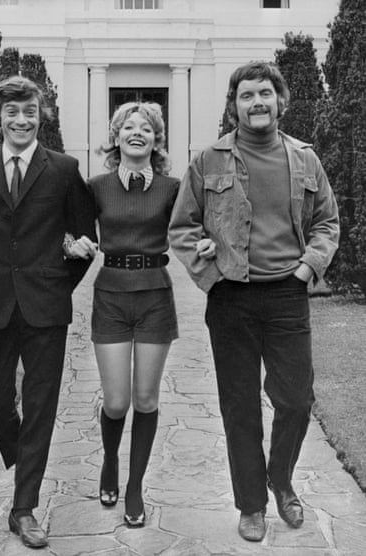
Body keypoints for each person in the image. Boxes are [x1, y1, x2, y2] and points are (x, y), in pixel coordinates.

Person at [168, 61, 339, 542]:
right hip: (232, 299)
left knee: (296, 399)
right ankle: (252, 504)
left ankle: (280, 477)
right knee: (239, 404)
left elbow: (327, 221)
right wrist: (209, 272)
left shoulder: (305, 158)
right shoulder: (208, 161)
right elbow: (182, 228)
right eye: (247, 95)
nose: (257, 102)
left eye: (265, 93)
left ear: (280, 101)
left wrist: (308, 266)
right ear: (234, 104)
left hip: (287, 295)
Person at [0, 76, 96, 549]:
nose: (22, 121)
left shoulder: (62, 169)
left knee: (40, 409)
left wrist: (59, 282)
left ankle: (24, 509)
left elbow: (84, 241)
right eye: (13, 113)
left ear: (42, 116)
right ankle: (24, 461)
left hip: (45, 309)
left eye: (30, 113)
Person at [68, 102, 179, 528]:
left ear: (156, 138)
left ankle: (134, 486)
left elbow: (191, 229)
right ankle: (110, 461)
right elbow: (73, 228)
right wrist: (69, 244)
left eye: (146, 128)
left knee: (146, 399)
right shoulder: (95, 186)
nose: (137, 132)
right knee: (116, 401)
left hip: (155, 296)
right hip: (111, 295)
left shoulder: (173, 187)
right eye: (128, 127)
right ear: (115, 137)